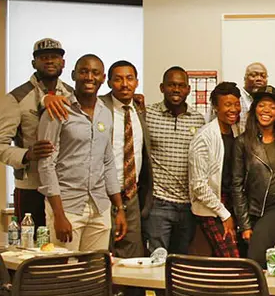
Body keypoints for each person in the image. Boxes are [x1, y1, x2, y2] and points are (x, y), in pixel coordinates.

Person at [37, 54, 127, 251]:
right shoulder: (57, 110)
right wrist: (58, 215)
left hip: (99, 206)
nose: (89, 77)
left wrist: (119, 208)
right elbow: (46, 164)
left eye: (95, 73)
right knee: (65, 272)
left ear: (103, 78)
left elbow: (108, 162)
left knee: (95, 271)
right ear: (73, 75)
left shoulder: (105, 112)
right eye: (84, 72)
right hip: (67, 206)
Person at [0, 38, 73, 230]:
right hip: (30, 188)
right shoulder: (16, 98)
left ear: (63, 63)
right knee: (32, 247)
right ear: (34, 63)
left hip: (65, 188)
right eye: (43, 58)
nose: (49, 61)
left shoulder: (72, 95)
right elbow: (1, 144)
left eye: (55, 57)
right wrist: (27, 154)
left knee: (62, 250)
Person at [145, 66, 206, 254]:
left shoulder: (198, 120)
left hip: (188, 205)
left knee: (180, 262)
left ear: (188, 89)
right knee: (157, 259)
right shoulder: (147, 114)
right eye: (171, 85)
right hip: (158, 203)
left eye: (181, 85)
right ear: (162, 87)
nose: (176, 89)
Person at [98, 60, 152, 258]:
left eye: (129, 78)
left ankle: (129, 291)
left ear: (137, 82)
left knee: (132, 257)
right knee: (101, 255)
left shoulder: (139, 109)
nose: (124, 84)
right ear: (109, 82)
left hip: (131, 196)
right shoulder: (97, 106)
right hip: (102, 195)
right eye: (118, 79)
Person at [233, 88, 275, 266]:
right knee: (254, 263)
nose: (266, 110)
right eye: (262, 105)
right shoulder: (243, 142)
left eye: (272, 106)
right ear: (254, 109)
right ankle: (267, 294)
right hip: (250, 209)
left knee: (255, 258)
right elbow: (236, 185)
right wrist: (245, 224)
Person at [189, 82, 242, 257]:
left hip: (233, 203)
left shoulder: (238, 131)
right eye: (227, 104)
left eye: (236, 104)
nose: (233, 109)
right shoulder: (204, 138)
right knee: (231, 259)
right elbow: (198, 185)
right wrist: (224, 214)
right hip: (212, 207)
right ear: (216, 107)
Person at [239, 63, 268, 130]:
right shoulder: (235, 97)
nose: (259, 79)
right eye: (254, 75)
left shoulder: (269, 100)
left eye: (263, 76)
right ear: (245, 78)